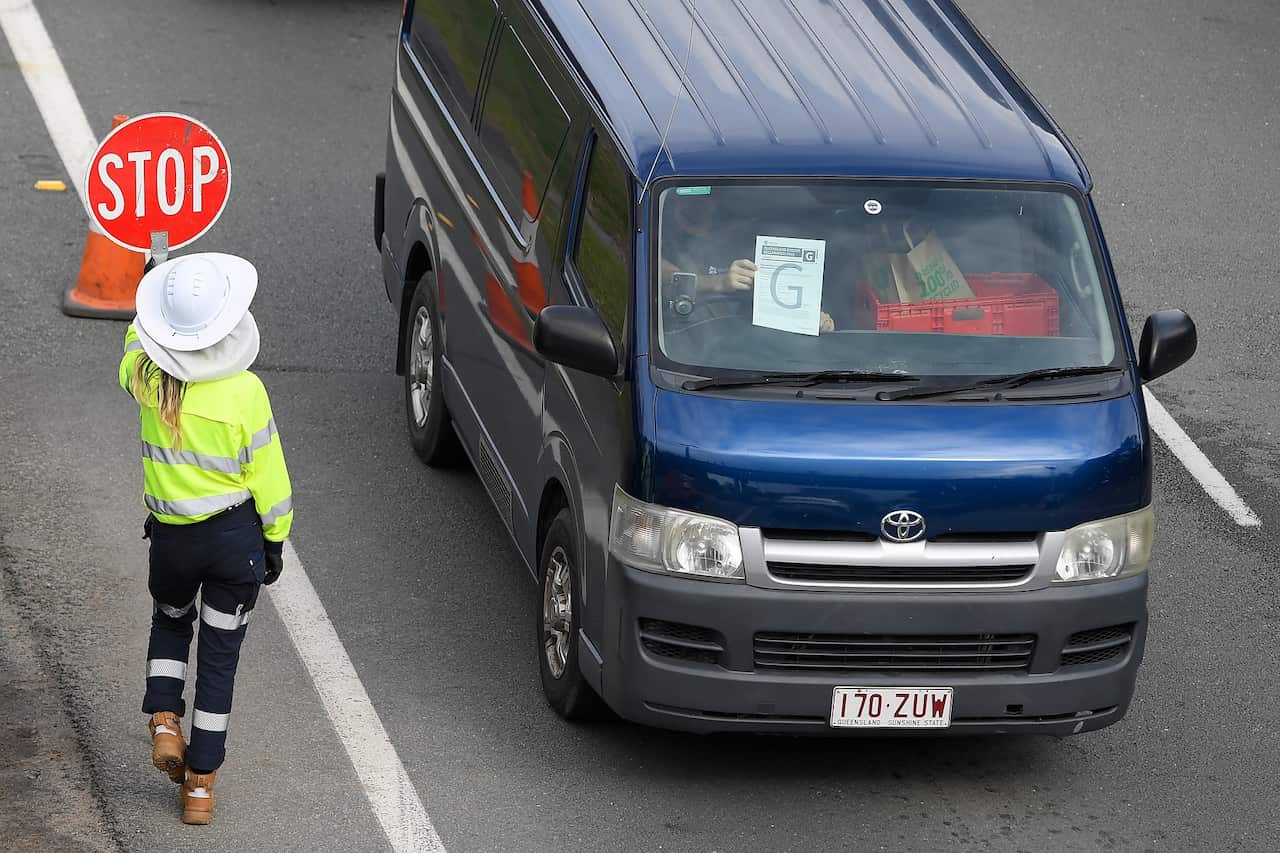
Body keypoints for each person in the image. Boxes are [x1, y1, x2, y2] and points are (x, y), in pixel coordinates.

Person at [120, 253, 293, 826]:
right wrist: (275, 539)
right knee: (220, 659)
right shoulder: (245, 393)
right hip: (232, 543)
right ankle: (200, 787)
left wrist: (150, 292)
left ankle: (164, 719)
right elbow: (269, 478)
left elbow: (130, 353)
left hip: (171, 541)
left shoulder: (148, 378)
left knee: (170, 621)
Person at [659, 190, 835, 332]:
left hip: (753, 349)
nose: (699, 202)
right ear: (675, 197)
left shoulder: (746, 242)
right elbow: (659, 276)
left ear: (716, 200)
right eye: (690, 194)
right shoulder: (660, 238)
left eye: (708, 195)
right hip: (687, 345)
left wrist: (808, 318)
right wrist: (718, 282)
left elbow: (784, 294)